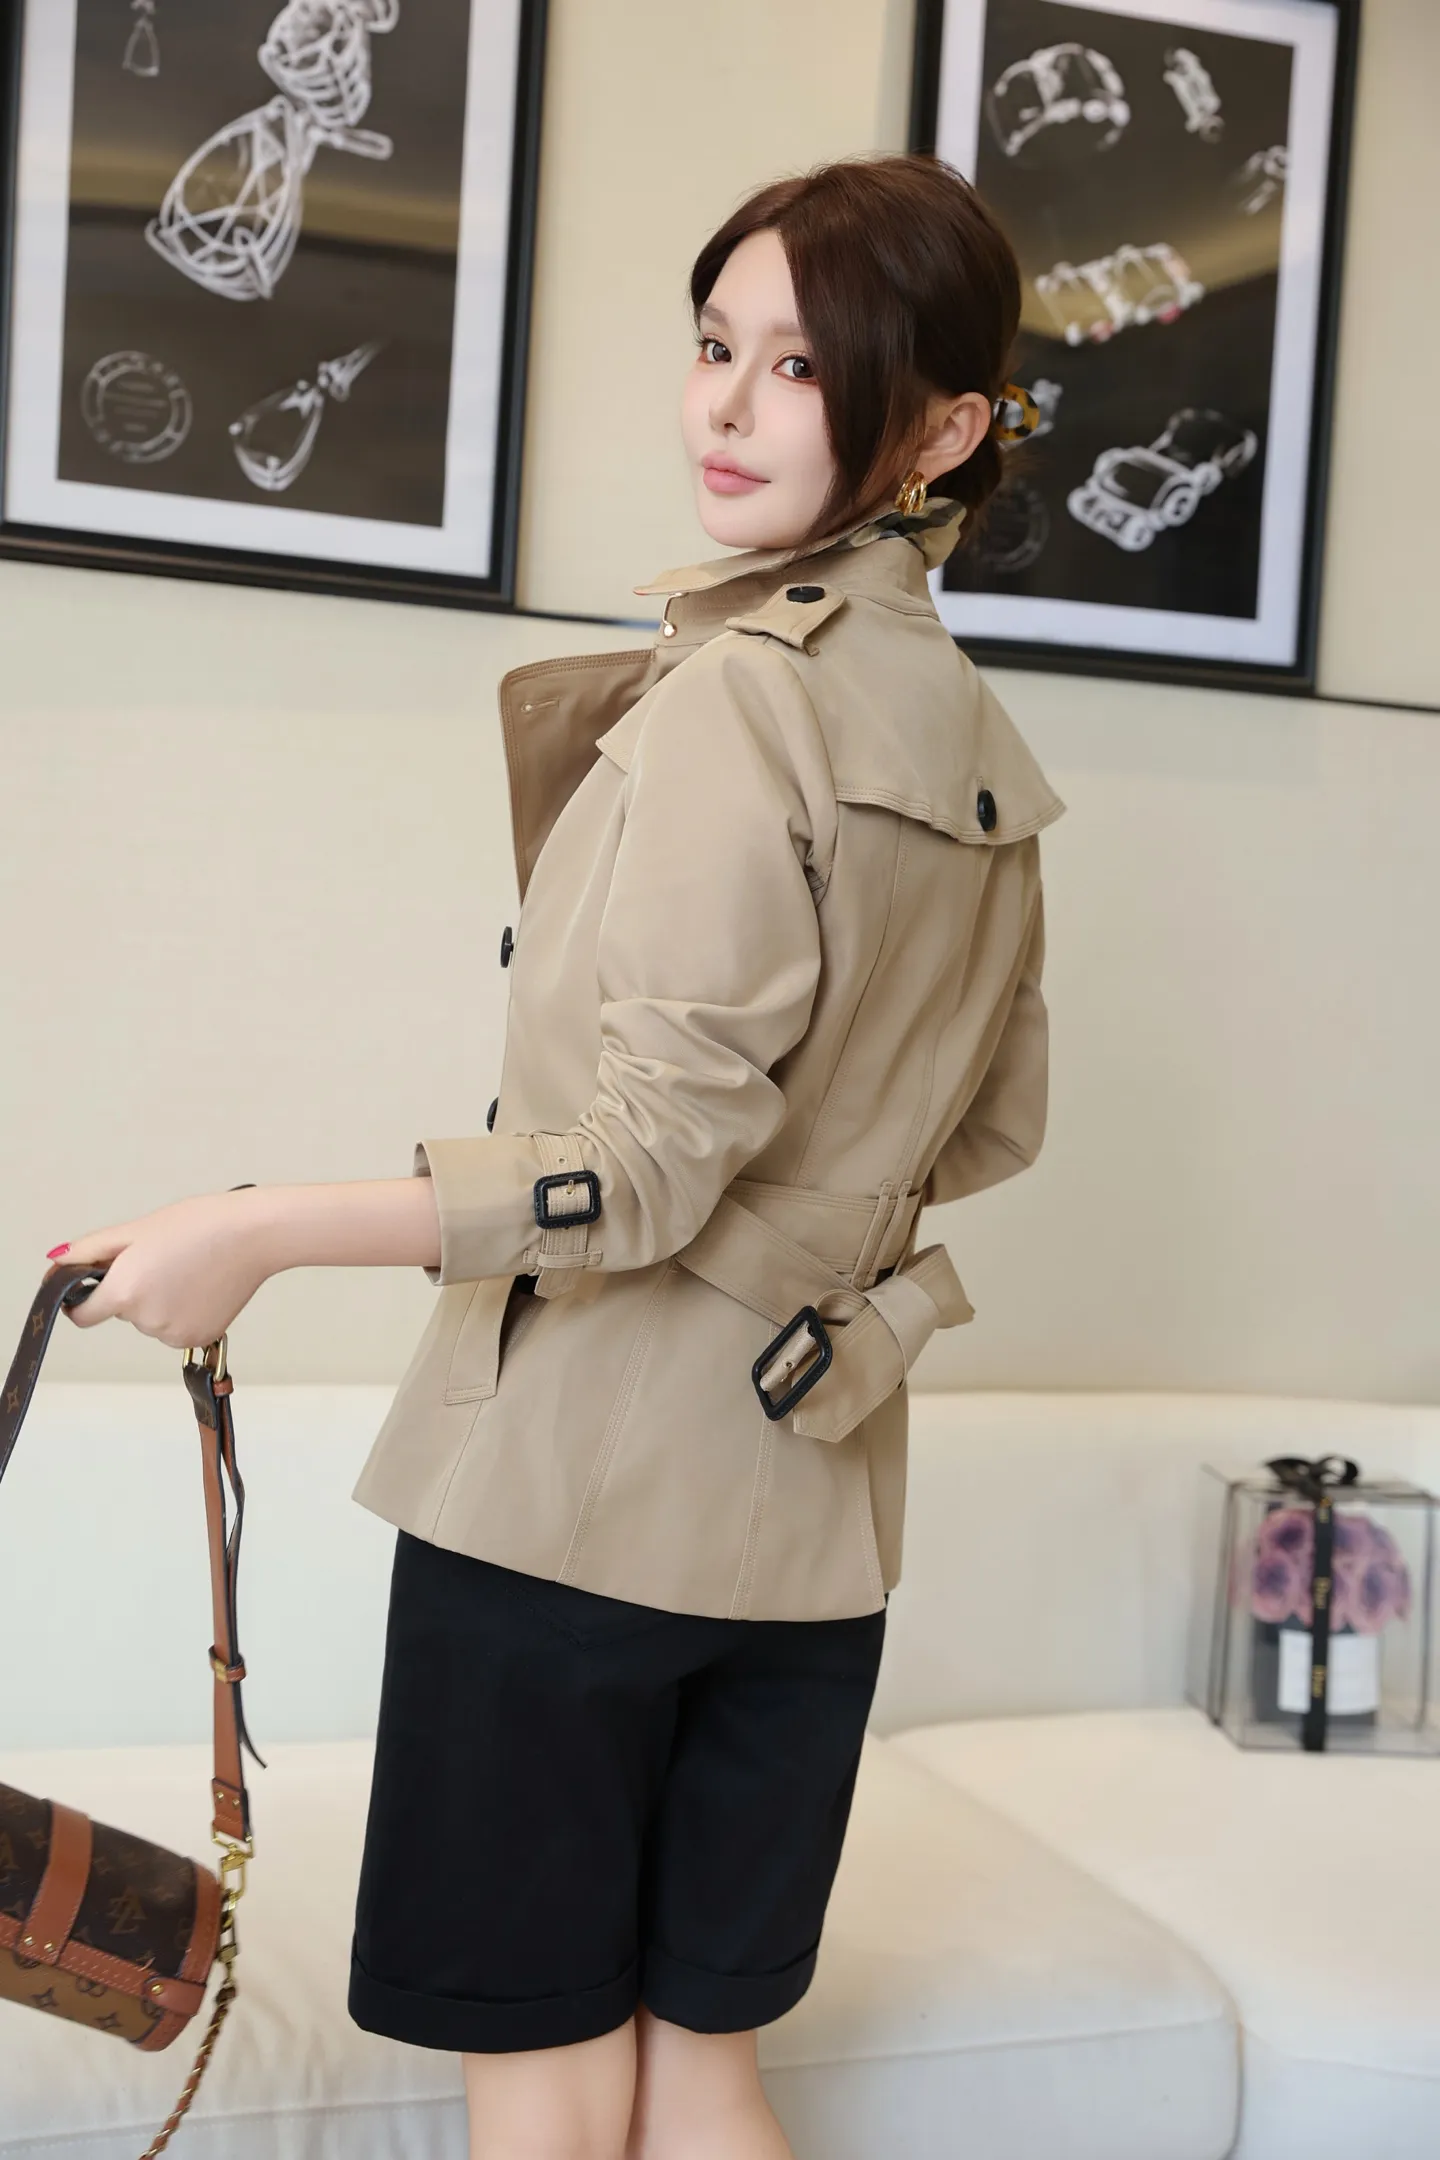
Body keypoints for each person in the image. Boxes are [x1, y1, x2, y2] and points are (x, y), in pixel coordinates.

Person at [45, 155, 1064, 2160]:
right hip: (818, 1518)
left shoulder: (741, 705)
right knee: (701, 2076)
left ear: (945, 428)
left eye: (802, 366)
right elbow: (998, 1121)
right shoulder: (978, 750)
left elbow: (648, 1166)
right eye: (715, 346)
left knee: (550, 2087)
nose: (728, 406)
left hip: (569, 1516)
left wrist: (259, 1228)